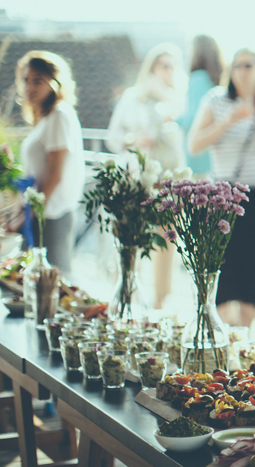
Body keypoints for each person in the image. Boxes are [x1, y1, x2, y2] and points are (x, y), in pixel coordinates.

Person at [189, 49, 255, 334]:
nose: (243, 71)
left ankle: (248, 336)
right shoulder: (216, 101)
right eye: (237, 66)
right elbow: (194, 144)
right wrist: (228, 122)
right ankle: (227, 335)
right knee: (225, 271)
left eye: (249, 65)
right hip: (224, 197)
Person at [107, 43, 186, 309]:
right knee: (131, 235)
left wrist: (164, 97)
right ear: (151, 67)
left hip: (167, 181)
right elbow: (112, 137)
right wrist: (133, 139)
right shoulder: (132, 98)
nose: (167, 70)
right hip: (136, 178)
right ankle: (127, 291)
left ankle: (160, 301)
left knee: (167, 238)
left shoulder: (177, 99)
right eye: (163, 64)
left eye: (172, 65)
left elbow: (181, 140)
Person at [16, 51, 85, 275]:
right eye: (26, 80)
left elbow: (55, 174)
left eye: (38, 80)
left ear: (54, 82)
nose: (29, 86)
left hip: (52, 216)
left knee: (55, 281)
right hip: (42, 213)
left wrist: (31, 213)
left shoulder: (59, 114)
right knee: (37, 282)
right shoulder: (46, 117)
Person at [178, 35, 223, 177]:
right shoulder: (217, 79)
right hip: (213, 153)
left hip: (197, 157)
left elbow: (193, 118)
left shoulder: (197, 79)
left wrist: (174, 119)